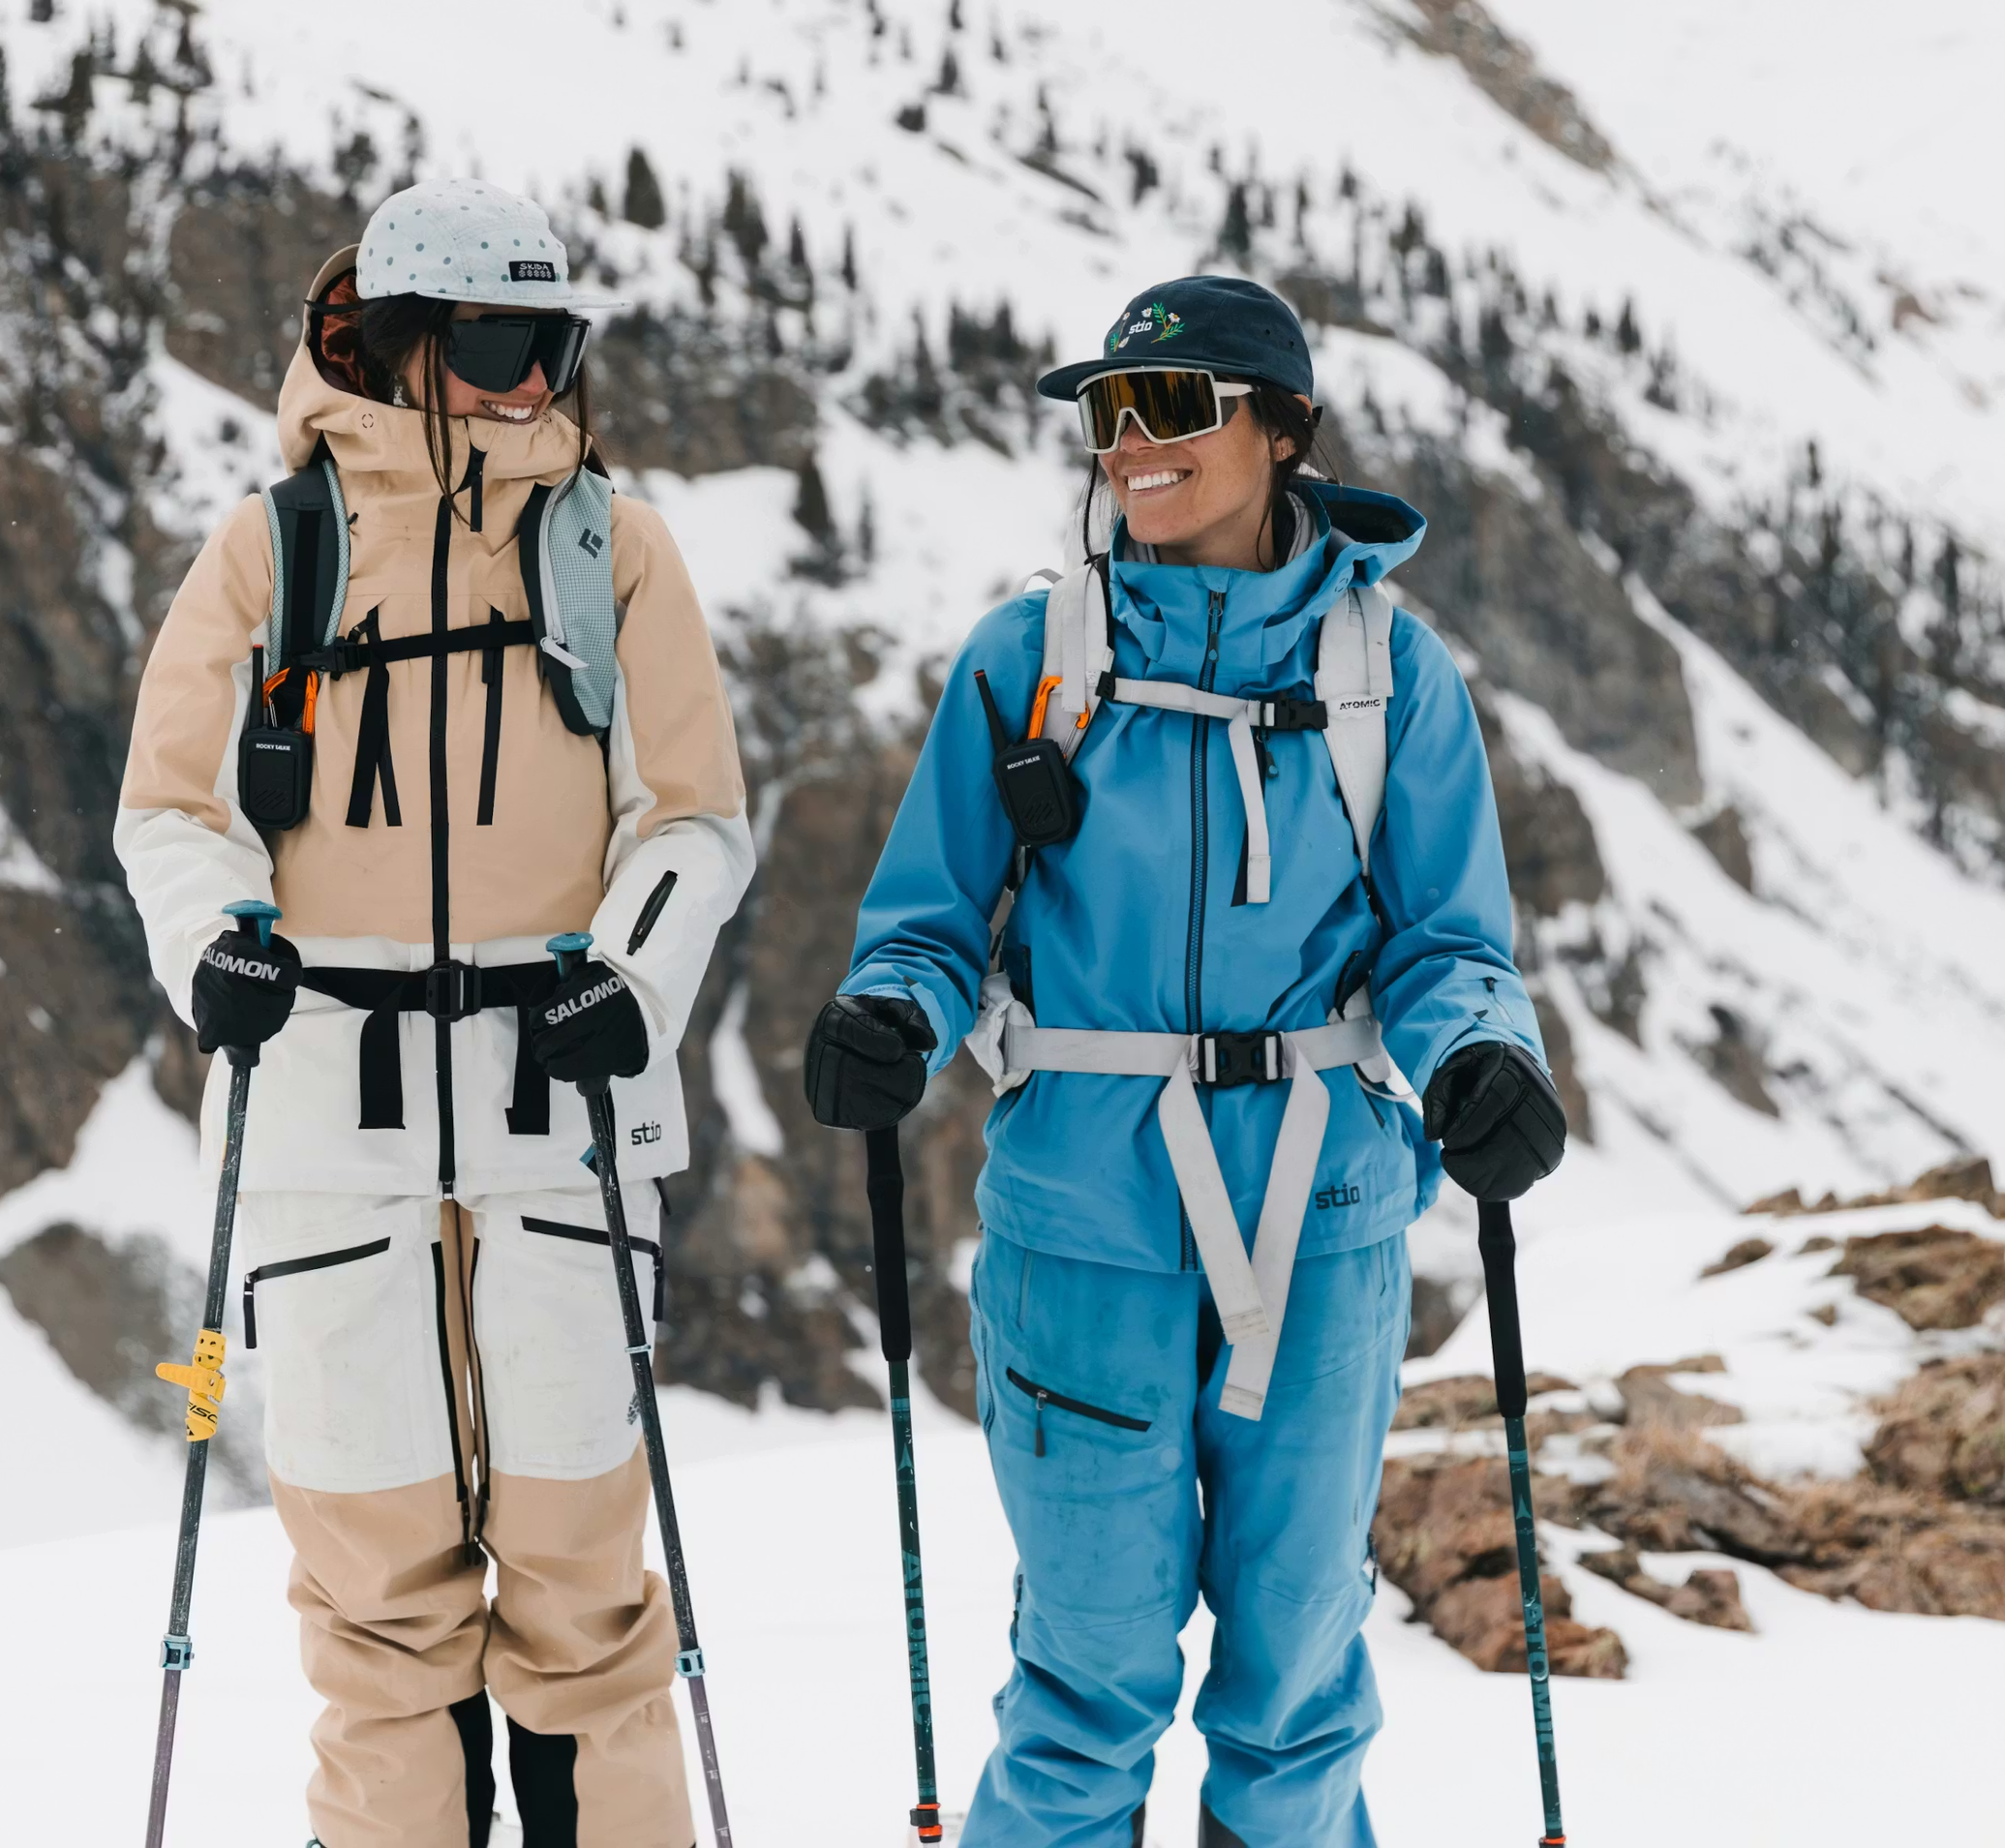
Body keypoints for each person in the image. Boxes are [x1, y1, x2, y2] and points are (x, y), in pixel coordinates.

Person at [804, 277, 1565, 1847]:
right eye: (1109, 416)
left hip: (1326, 1221)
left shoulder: (1386, 672)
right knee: (1084, 1686)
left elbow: (1449, 945)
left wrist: (1483, 1058)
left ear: (1283, 429)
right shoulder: (1032, 659)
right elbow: (931, 921)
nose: (1132, 449)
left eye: (1176, 409)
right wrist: (890, 1011)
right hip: (1083, 1222)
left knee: (1296, 1690)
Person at [116, 176, 753, 1848]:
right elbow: (171, 809)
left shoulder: (618, 547)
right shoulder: (275, 548)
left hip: (563, 1107)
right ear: (400, 343)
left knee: (586, 1598)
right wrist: (220, 947)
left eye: (551, 342)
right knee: (380, 1605)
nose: (529, 378)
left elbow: (691, 813)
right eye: (492, 342)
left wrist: (634, 975)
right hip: (332, 1119)